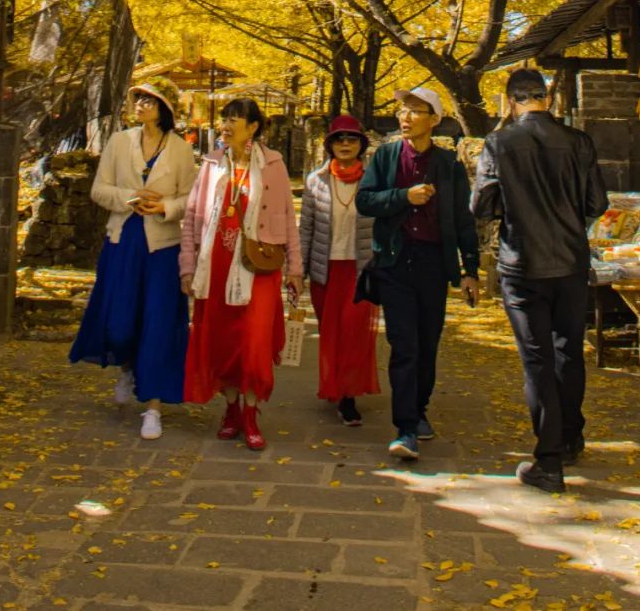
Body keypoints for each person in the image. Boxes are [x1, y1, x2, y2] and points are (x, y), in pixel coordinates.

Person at [472, 66, 609, 493]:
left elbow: (482, 205)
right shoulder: (578, 142)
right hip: (570, 261)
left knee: (537, 359)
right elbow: (597, 202)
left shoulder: (498, 142)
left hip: (522, 263)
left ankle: (548, 460)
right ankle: (571, 436)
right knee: (569, 349)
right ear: (547, 99)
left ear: (511, 102)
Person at [356, 85, 480, 461]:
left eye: (415, 110)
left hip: (432, 263)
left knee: (428, 342)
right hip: (395, 262)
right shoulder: (387, 156)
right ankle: (405, 426)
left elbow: (462, 220)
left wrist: (470, 270)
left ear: (434, 120)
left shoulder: (449, 166)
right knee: (403, 343)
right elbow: (365, 200)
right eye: (402, 111)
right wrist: (402, 197)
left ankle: (420, 407)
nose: (405, 117)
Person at [70, 83, 197, 439]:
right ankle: (127, 364)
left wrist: (165, 207)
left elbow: (191, 197)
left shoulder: (180, 150)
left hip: (163, 246)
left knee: (158, 324)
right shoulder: (119, 142)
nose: (140, 104)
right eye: (137, 99)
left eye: (149, 100)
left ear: (164, 108)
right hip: (123, 240)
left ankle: (153, 407)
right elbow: (99, 189)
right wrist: (131, 197)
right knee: (120, 323)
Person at [180, 97, 303, 451]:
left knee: (253, 341)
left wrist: (295, 268)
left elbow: (286, 219)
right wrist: (187, 266)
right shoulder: (211, 163)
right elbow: (192, 218)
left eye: (236, 119)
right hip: (215, 263)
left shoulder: (274, 165)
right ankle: (231, 408)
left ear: (253, 127)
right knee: (223, 340)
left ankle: (251, 412)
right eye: (225, 118)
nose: (227, 125)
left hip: (258, 265)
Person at [299, 113, 379, 427]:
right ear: (330, 145)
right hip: (325, 269)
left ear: (361, 144)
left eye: (351, 139)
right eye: (339, 139)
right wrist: (298, 271)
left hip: (360, 269)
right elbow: (306, 228)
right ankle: (334, 385)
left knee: (354, 330)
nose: (345, 144)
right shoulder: (316, 180)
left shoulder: (373, 180)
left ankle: (348, 395)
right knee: (331, 332)